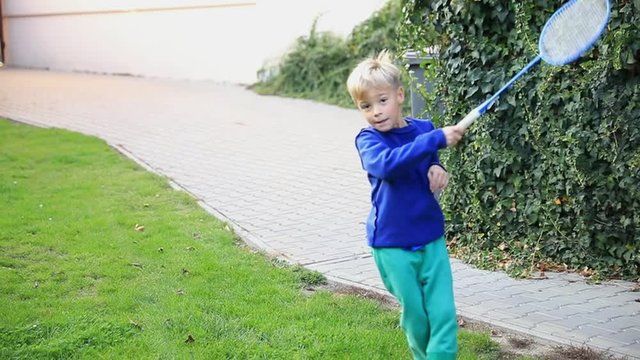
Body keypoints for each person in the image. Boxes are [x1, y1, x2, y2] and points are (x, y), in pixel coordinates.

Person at [346, 50, 465, 360]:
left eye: (382, 100)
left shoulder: (424, 129)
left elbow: (429, 161)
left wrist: (437, 168)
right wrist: (434, 141)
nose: (376, 111)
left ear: (400, 95)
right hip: (392, 243)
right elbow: (387, 166)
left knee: (442, 312)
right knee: (418, 316)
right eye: (366, 106)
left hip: (430, 236)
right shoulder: (368, 140)